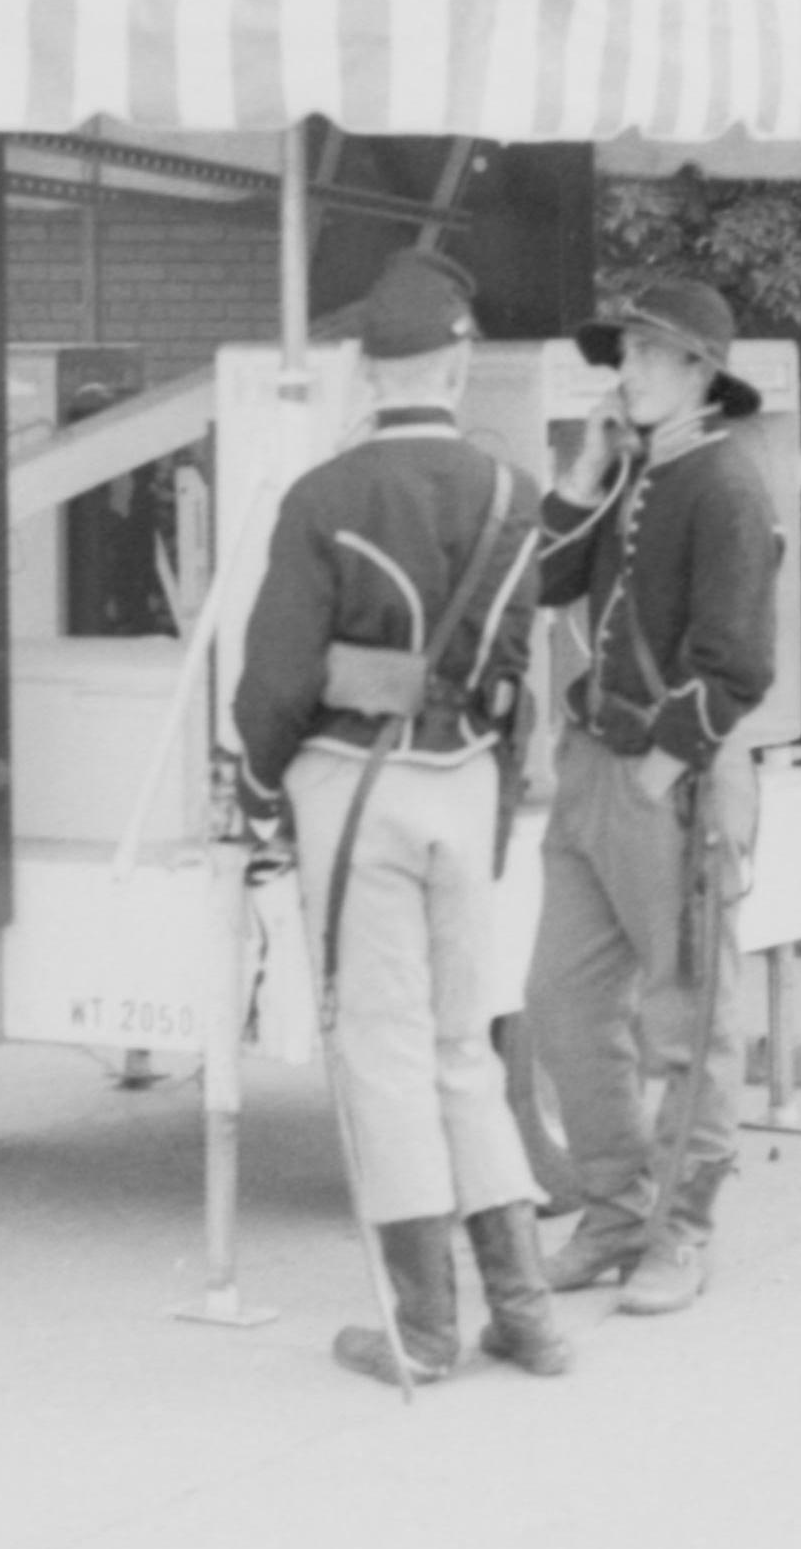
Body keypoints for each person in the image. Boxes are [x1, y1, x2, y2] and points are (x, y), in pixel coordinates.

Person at [230, 249, 568, 1389]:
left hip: (351, 781)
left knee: (379, 1048)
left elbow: (274, 680)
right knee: (460, 1046)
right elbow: (518, 670)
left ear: (369, 374)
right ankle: (524, 1312)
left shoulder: (323, 496)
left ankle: (422, 1328)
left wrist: (256, 780)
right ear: (458, 364)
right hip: (465, 780)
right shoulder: (514, 494)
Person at [527, 276, 780, 1317]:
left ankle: (679, 1229)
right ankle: (613, 1208)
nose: (619, 370)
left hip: (656, 781)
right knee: (563, 1002)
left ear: (696, 372)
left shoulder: (723, 482)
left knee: (687, 1023)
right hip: (589, 765)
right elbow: (541, 582)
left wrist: (661, 771)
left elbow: (735, 664)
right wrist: (584, 474)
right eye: (621, 352)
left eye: (639, 353)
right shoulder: (631, 468)